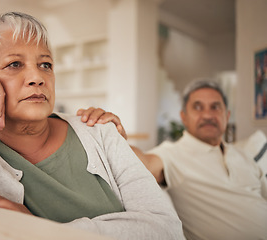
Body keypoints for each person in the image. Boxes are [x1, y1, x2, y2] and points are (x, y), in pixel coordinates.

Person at [0, 12, 184, 239]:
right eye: (14, 64)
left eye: (45, 64)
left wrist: (39, 228)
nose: (37, 77)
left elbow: (166, 229)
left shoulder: (99, 130)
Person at [78, 79, 267, 240]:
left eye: (215, 107)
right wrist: (116, 139)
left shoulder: (244, 155)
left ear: (227, 116)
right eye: (198, 107)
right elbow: (143, 162)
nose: (208, 115)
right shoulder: (172, 154)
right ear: (184, 117)